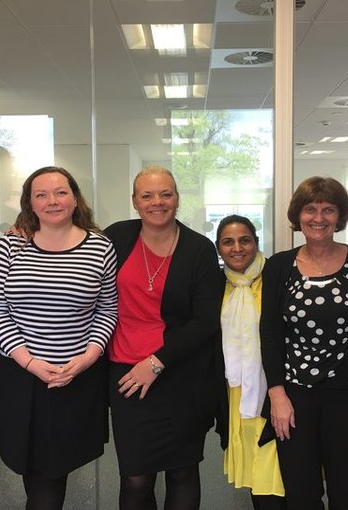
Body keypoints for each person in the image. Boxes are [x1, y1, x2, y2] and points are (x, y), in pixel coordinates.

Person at [0, 166, 118, 510]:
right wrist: (29, 361)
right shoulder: (11, 245)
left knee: (53, 472)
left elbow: (108, 310)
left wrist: (87, 358)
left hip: (75, 376)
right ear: (30, 203)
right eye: (41, 194)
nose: (52, 201)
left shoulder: (100, 248)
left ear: (74, 198)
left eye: (60, 192)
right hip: (19, 375)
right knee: (32, 466)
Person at [260, 176, 348, 510]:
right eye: (310, 209)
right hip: (296, 396)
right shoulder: (279, 265)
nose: (318, 217)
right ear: (298, 214)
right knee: (301, 493)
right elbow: (270, 332)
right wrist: (277, 393)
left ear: (340, 216)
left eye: (328, 209)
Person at [104, 166, 222, 510]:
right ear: (135, 202)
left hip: (181, 374)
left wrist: (156, 363)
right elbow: (66, 236)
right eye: (147, 195)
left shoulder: (198, 249)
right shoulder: (115, 238)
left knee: (182, 471)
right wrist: (26, 225)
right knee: (135, 477)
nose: (158, 202)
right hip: (126, 375)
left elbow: (205, 321)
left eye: (165, 194)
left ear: (177, 199)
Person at [214, 215, 285, 510]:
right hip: (237, 397)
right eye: (228, 242)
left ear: (256, 242)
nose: (237, 248)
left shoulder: (277, 279)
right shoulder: (216, 286)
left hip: (277, 394)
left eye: (245, 240)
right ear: (218, 248)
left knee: (285, 478)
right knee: (258, 480)